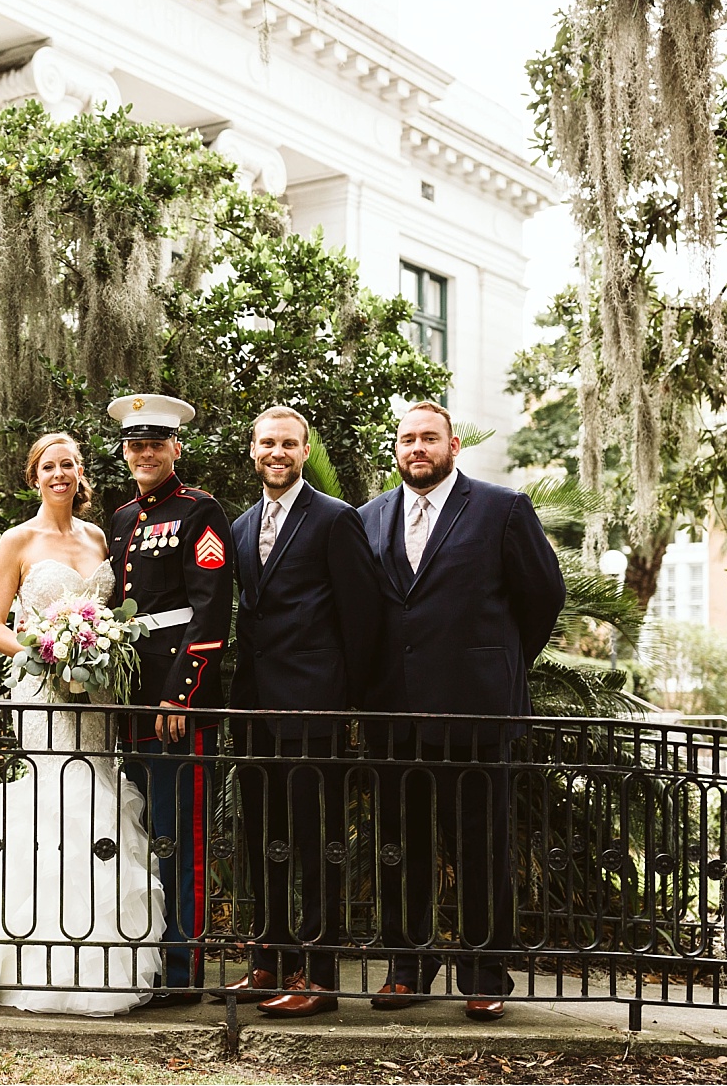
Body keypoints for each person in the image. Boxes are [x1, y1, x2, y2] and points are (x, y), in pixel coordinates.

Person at [0, 432, 165, 1015]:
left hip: (97, 698)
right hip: (44, 693)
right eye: (49, 465)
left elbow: (119, 612)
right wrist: (46, 650)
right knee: (51, 802)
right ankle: (20, 956)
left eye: (69, 464)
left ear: (81, 475)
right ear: (34, 476)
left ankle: (97, 957)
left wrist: (100, 646)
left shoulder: (101, 537)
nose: (60, 473)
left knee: (97, 804)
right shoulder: (16, 540)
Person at [357, 401, 564, 1021]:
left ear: (452, 445)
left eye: (429, 438)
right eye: (406, 439)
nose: (417, 447)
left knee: (482, 843)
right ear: (396, 450)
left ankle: (483, 969)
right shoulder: (370, 517)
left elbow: (542, 595)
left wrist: (494, 659)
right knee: (401, 843)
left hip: (477, 710)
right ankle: (407, 965)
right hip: (393, 711)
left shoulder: (501, 510)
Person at [220, 407, 384, 1017]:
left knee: (317, 842)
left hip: (315, 708)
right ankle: (266, 962)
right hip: (255, 707)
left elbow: (362, 619)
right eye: (267, 442)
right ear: (253, 449)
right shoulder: (239, 527)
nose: (277, 452)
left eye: (289, 443)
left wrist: (347, 702)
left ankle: (318, 975)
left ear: (304, 448)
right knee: (263, 838)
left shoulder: (335, 520)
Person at [104, 393, 234, 1005]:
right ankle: (140, 960)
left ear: (175, 447)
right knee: (136, 833)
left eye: (156, 443)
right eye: (135, 444)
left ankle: (180, 969)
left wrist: (180, 696)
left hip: (174, 704)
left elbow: (209, 613)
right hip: (127, 701)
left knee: (178, 837)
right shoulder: (121, 517)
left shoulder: (199, 510)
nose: (145, 452)